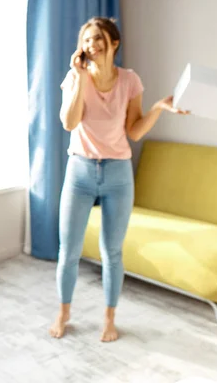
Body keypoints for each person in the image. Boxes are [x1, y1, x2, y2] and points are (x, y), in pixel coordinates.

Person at [50, 17, 188, 342]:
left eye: (97, 38)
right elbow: (69, 123)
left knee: (111, 252)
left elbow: (134, 130)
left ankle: (109, 319)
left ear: (113, 43)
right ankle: (63, 312)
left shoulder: (129, 81)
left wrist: (157, 109)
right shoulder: (74, 77)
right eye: (85, 40)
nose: (91, 45)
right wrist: (81, 79)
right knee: (67, 251)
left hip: (117, 175)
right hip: (79, 172)